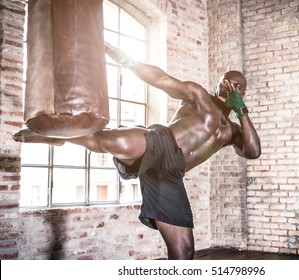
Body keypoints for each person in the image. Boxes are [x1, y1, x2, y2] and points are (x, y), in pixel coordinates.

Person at [13, 43, 261, 260]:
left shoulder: (233, 132)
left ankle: (67, 138)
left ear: (242, 93)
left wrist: (242, 111)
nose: (231, 88)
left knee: (184, 251)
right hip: (161, 141)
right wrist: (124, 58)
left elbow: (253, 152)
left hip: (171, 173)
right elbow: (162, 80)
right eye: (226, 83)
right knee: (116, 141)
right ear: (217, 86)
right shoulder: (199, 96)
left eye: (237, 87)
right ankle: (60, 137)